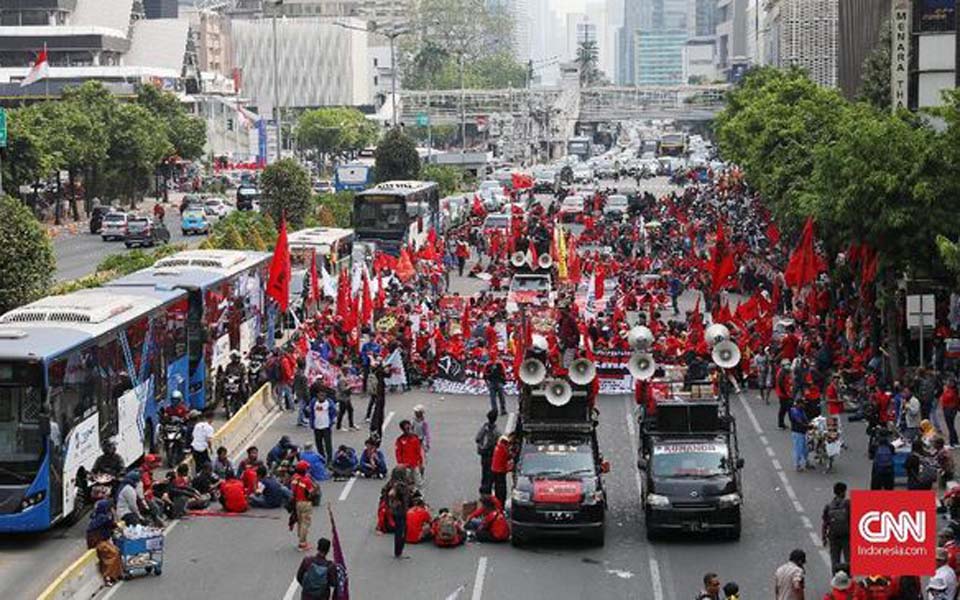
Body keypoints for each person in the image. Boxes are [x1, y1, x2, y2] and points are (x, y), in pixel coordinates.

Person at [86, 499, 122, 587]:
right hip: (98, 542)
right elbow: (112, 524)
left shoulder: (97, 516)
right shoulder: (103, 518)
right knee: (113, 554)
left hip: (100, 540)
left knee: (116, 550)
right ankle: (108, 577)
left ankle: (116, 574)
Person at [821, 482, 851, 573]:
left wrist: (824, 537)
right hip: (846, 536)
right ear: (843, 492)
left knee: (835, 560)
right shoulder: (848, 504)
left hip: (833, 536)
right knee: (849, 560)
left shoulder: (829, 506)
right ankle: (848, 581)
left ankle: (835, 581)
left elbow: (825, 523)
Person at [290, 460, 317, 551]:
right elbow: (312, 492)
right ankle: (302, 543)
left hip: (297, 502)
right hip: (305, 503)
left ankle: (301, 539)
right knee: (305, 523)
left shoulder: (294, 478)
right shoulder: (306, 480)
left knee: (300, 522)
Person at [387, 470, 412, 558]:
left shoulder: (390, 483)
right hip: (400, 511)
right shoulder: (401, 486)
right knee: (401, 531)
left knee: (398, 530)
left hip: (393, 510)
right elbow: (406, 498)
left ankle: (398, 551)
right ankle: (398, 551)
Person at [475, 409, 501, 494]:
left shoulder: (484, 428)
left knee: (484, 471)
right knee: (490, 473)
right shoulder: (496, 431)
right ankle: (488, 489)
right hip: (491, 454)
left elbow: (477, 438)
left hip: (484, 454)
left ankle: (483, 487)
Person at [395, 420, 424, 487]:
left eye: (409, 428)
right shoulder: (400, 440)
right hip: (405, 466)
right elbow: (398, 453)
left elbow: (418, 452)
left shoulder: (415, 438)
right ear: (402, 429)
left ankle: (420, 496)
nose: (408, 430)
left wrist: (421, 463)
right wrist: (400, 464)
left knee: (418, 483)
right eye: (406, 429)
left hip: (414, 464)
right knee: (406, 483)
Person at [490, 435, 514, 506]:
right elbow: (508, 457)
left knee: (497, 488)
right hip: (500, 471)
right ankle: (501, 504)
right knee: (502, 490)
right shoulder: (503, 449)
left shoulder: (498, 447)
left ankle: (497, 503)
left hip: (495, 470)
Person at [311, 391, 334, 462]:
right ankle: (322, 457)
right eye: (320, 395)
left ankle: (329, 459)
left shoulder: (328, 403)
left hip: (326, 426)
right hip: (317, 426)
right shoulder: (314, 402)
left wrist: (331, 421)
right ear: (317, 396)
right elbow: (311, 412)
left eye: (322, 396)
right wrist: (311, 423)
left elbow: (333, 411)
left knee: (328, 444)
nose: (321, 397)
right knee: (319, 443)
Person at [788, 398, 809, 471]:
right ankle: (797, 465)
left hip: (803, 432)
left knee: (805, 449)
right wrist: (808, 426)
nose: (804, 405)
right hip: (798, 433)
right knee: (798, 450)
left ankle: (807, 463)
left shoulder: (801, 410)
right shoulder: (794, 411)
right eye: (803, 404)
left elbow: (805, 419)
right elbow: (799, 422)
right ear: (798, 404)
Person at [336, 365, 358, 431]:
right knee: (342, 412)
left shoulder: (345, 378)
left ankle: (351, 425)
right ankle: (338, 426)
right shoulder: (342, 379)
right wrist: (350, 387)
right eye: (347, 370)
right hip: (343, 398)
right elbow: (343, 389)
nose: (348, 372)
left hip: (347, 398)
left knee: (350, 410)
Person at [411, 405, 431, 478]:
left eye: (417, 412)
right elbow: (411, 429)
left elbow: (427, 433)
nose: (416, 413)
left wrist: (427, 443)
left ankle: (421, 470)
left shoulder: (424, 422)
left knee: (420, 457)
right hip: (413, 440)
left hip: (420, 440)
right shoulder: (413, 421)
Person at [775, 361, 793, 429]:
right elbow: (781, 384)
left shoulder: (786, 372)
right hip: (783, 394)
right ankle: (784, 423)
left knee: (784, 409)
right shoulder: (781, 373)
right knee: (788, 409)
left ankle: (781, 423)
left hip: (786, 393)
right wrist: (786, 393)